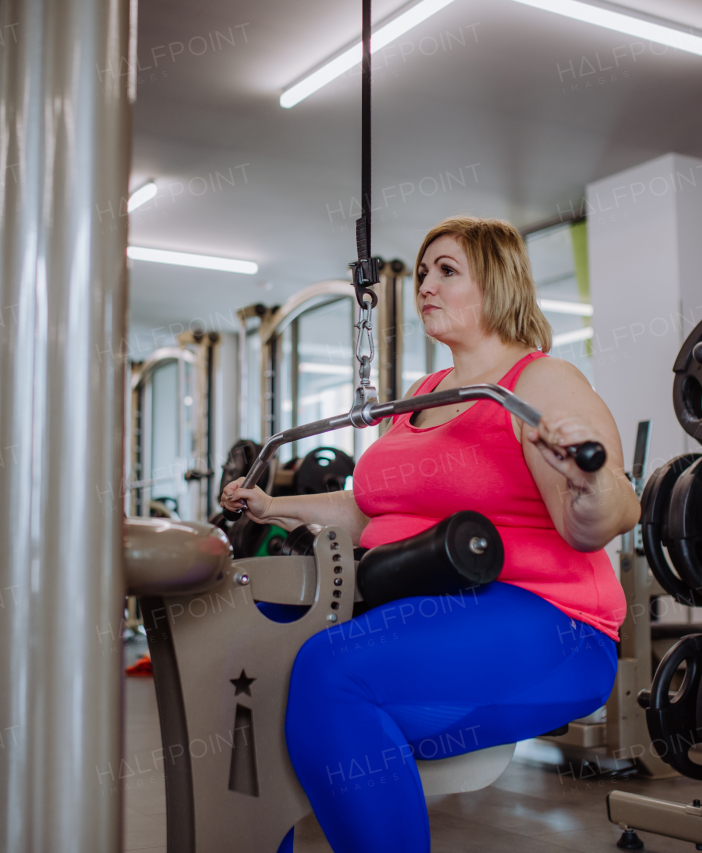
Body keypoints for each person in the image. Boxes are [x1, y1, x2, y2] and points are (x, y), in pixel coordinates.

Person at [221, 216, 640, 853]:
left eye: (447, 271)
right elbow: (371, 510)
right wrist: (276, 506)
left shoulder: (540, 382)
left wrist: (587, 481)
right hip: (425, 602)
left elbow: (605, 514)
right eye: (421, 273)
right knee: (253, 657)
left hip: (552, 622)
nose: (425, 286)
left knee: (333, 674)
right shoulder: (422, 395)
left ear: (498, 285)